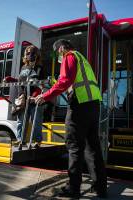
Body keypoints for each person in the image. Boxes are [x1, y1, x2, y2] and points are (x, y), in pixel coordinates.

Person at [34, 39, 107, 198]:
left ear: (61, 48)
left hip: (79, 106)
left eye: (56, 52)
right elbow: (71, 81)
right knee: (92, 147)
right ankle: (100, 187)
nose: (57, 56)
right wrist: (53, 83)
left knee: (74, 146)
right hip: (94, 106)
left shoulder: (69, 56)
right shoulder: (82, 59)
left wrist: (46, 95)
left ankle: (73, 188)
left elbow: (66, 80)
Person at [4, 45, 43, 149]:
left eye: (32, 53)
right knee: (21, 121)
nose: (29, 55)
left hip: (35, 99)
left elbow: (42, 84)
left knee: (36, 121)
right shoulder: (23, 67)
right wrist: (11, 79)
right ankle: (20, 140)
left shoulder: (40, 68)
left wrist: (34, 96)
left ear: (37, 55)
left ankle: (37, 141)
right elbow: (20, 81)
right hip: (24, 98)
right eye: (28, 53)